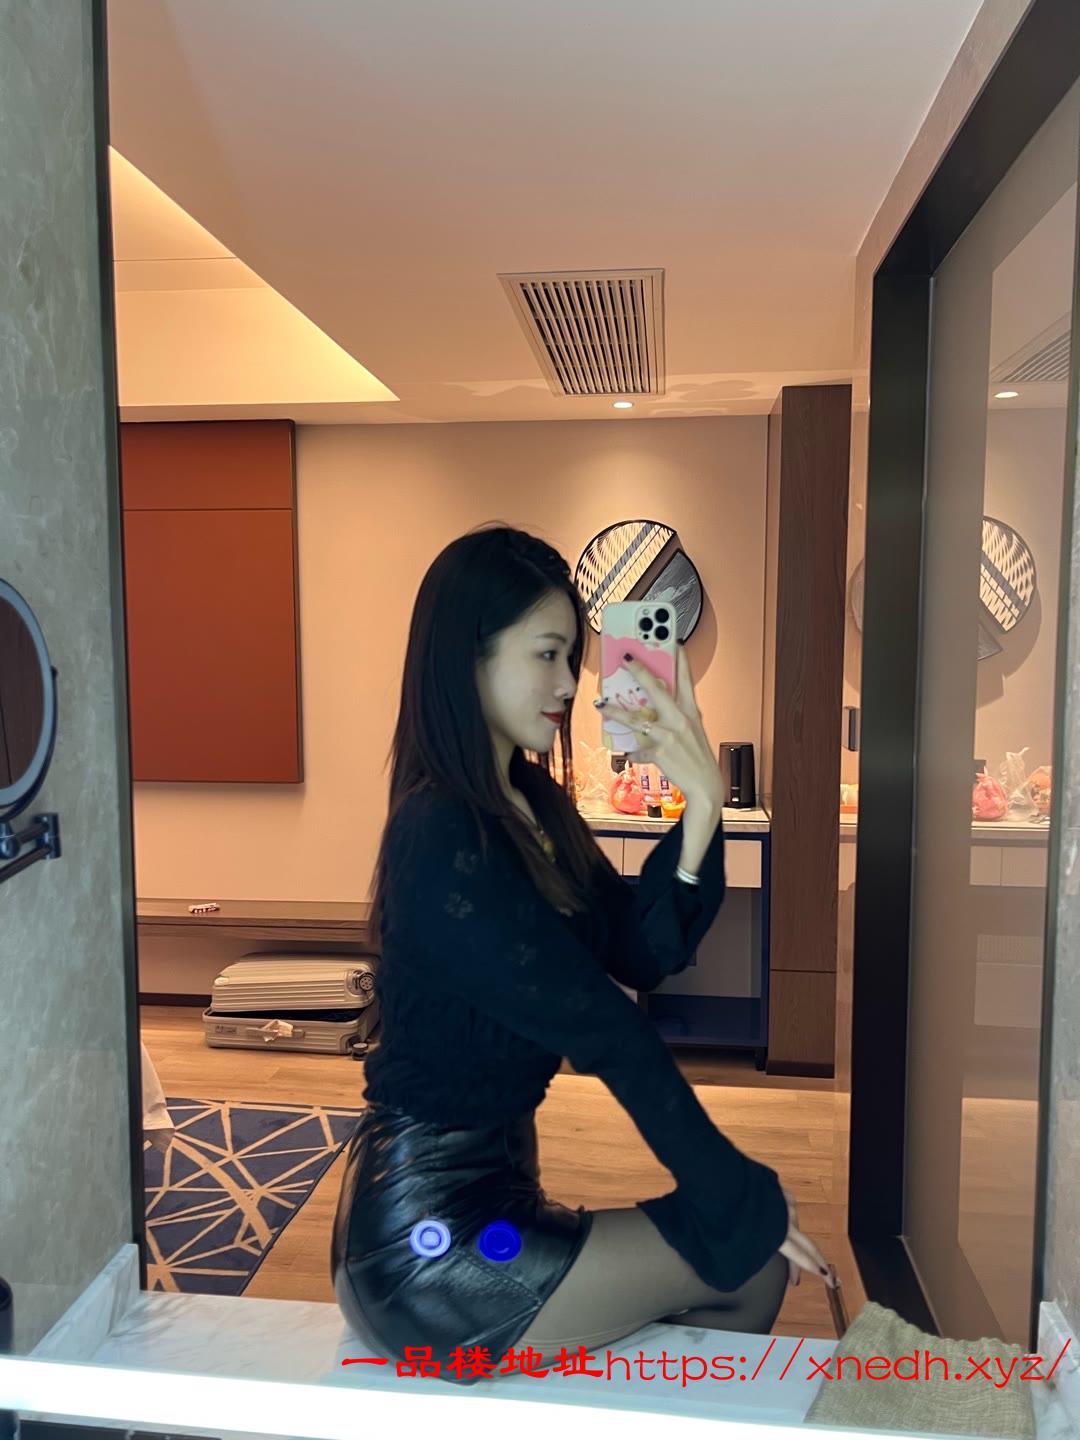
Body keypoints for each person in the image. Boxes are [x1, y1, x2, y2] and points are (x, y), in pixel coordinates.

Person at [331, 523, 833, 1386]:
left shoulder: (531, 803)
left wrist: (703, 803)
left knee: (739, 1264)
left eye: (575, 656)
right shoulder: (440, 832)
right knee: (749, 1262)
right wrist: (739, 1194)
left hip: (499, 1209)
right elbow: (610, 1032)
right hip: (427, 1243)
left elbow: (641, 952)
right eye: (548, 654)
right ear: (468, 657)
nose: (571, 683)